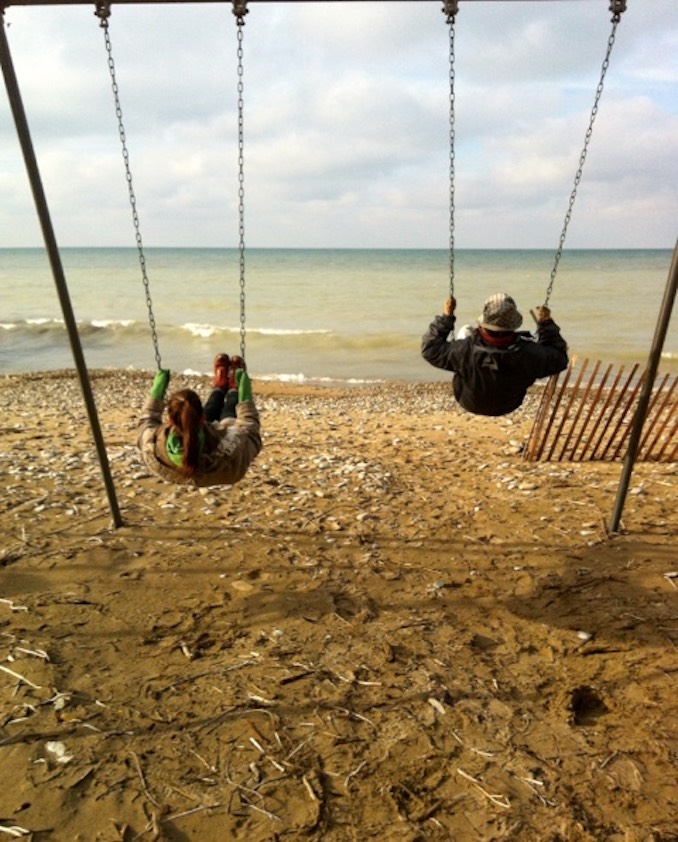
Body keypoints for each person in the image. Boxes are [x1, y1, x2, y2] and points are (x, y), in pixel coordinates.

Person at [421, 292, 568, 416]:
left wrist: (447, 317)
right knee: (534, 358)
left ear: (483, 324)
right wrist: (546, 324)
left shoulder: (464, 350)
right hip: (509, 405)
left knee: (465, 331)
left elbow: (429, 348)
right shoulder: (528, 352)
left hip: (469, 402)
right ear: (513, 326)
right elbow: (560, 358)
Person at [137, 353, 262, 486]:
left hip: (177, 468)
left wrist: (158, 387)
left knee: (211, 409)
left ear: (171, 420)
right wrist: (245, 395)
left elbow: (146, 421)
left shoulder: (153, 445)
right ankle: (233, 389)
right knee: (229, 416)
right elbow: (250, 432)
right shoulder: (231, 445)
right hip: (227, 471)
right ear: (202, 419)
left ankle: (220, 385)